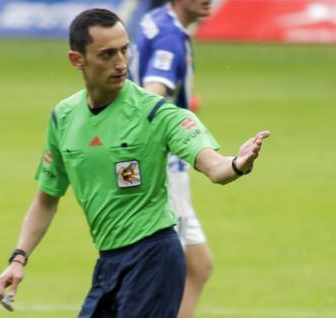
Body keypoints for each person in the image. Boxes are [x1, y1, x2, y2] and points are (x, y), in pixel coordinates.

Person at [0, 8, 269, 317]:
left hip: (155, 260)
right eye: (107, 54)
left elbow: (214, 167)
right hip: (109, 264)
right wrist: (18, 259)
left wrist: (237, 164)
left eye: (125, 50)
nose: (121, 63)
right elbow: (46, 199)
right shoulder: (64, 117)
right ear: (77, 60)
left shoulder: (154, 113)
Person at [129, 1, 214, 316]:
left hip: (166, 166)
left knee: (199, 265)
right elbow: (153, 93)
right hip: (165, 170)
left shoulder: (156, 19)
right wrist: (175, 115)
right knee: (166, 275)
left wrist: (182, 105)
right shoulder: (170, 37)